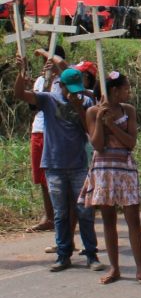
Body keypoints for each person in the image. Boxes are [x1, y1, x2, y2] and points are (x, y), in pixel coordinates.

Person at [14, 60, 103, 272]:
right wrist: (20, 74)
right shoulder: (47, 99)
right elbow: (20, 94)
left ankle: (91, 254)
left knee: (84, 211)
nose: (72, 94)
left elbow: (88, 130)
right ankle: (63, 255)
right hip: (53, 165)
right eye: (68, 90)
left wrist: (78, 107)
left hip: (78, 165)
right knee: (61, 212)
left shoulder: (85, 103)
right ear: (60, 85)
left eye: (76, 90)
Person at [81, 71, 141, 286]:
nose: (128, 92)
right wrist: (99, 120)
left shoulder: (128, 111)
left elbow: (131, 142)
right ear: (114, 90)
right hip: (103, 169)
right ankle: (115, 267)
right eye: (125, 88)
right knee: (108, 220)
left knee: (133, 219)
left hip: (125, 167)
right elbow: (97, 145)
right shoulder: (93, 111)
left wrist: (112, 125)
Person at [27, 47, 66, 233]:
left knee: (57, 174)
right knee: (41, 176)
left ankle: (63, 215)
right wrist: (46, 83)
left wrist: (44, 51)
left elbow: (64, 67)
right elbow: (33, 106)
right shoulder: (41, 80)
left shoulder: (66, 81)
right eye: (45, 62)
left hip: (57, 131)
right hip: (39, 130)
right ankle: (49, 216)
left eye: (50, 60)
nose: (47, 64)